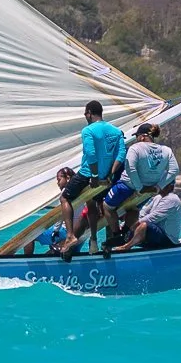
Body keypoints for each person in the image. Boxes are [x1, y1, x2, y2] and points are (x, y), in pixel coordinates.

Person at [60, 102, 126, 256]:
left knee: (64, 198)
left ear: (89, 112)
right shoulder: (116, 131)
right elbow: (120, 155)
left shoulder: (88, 130)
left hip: (88, 174)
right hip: (106, 176)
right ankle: (107, 240)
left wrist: (95, 176)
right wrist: (110, 173)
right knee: (101, 205)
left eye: (85, 113)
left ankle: (70, 237)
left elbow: (91, 154)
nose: (85, 116)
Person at [103, 123, 181, 245]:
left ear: (143, 136)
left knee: (107, 207)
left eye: (137, 136)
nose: (136, 139)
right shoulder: (166, 150)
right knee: (133, 209)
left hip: (126, 186)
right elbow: (174, 170)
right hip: (148, 191)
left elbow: (130, 168)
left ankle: (117, 235)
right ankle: (127, 233)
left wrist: (139, 187)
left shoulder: (136, 148)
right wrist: (158, 186)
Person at [116, 180, 181, 252]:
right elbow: (144, 213)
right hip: (155, 235)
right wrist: (124, 224)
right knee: (133, 212)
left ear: (171, 187)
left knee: (145, 225)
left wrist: (134, 225)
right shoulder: (158, 197)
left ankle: (127, 246)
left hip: (168, 239)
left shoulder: (172, 199)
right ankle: (121, 240)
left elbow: (153, 218)